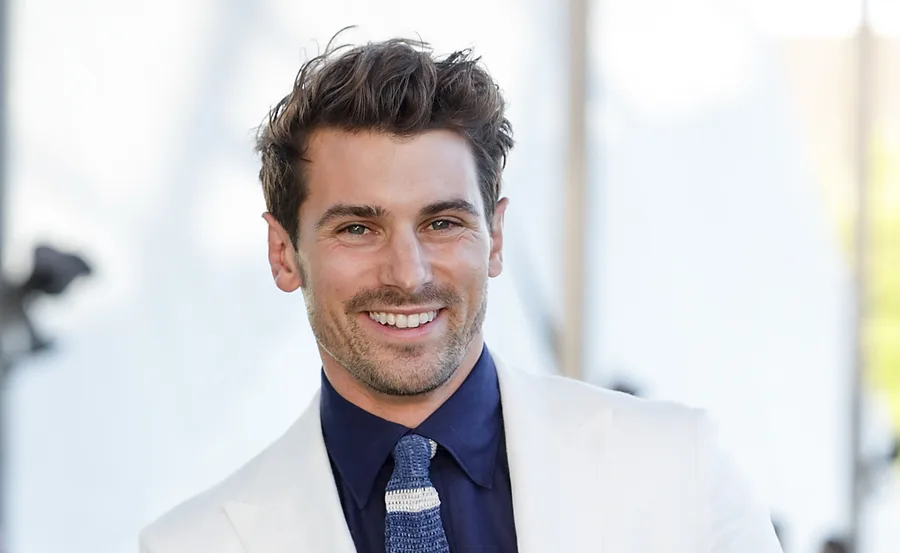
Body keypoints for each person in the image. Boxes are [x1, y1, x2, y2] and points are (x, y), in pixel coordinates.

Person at [139, 35, 783, 553]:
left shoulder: (680, 471)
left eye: (442, 223)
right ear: (284, 253)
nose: (408, 272)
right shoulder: (189, 544)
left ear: (495, 237)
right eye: (358, 228)